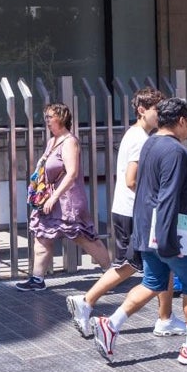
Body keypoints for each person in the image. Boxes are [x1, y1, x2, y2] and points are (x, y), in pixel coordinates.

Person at [90, 98, 187, 365]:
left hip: (150, 227)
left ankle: (111, 325)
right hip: (175, 230)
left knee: (152, 282)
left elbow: (153, 188)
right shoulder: (177, 152)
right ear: (182, 121)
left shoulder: (150, 143)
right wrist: (169, 239)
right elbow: (168, 196)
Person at [66, 88, 184, 337]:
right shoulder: (140, 139)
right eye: (156, 110)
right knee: (130, 265)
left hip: (129, 210)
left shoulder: (138, 135)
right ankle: (87, 301)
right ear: (142, 110)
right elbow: (132, 179)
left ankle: (165, 317)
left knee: (159, 263)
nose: (161, 115)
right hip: (134, 211)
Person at [16, 103, 112, 291]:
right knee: (42, 236)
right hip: (49, 199)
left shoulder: (69, 142)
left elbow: (72, 173)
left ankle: (110, 272)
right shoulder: (53, 141)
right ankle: (37, 279)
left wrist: (54, 197)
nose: (47, 121)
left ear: (60, 118)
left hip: (67, 200)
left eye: (50, 117)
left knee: (83, 236)